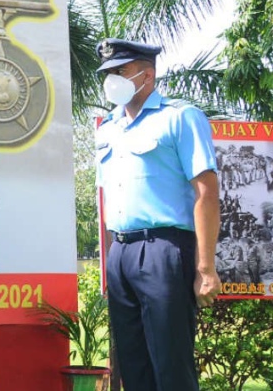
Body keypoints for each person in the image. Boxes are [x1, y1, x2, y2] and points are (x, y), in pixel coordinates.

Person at [94, 38, 220, 391]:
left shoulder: (180, 118)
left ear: (146, 76)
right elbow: (108, 198)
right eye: (108, 73)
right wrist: (109, 260)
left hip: (163, 249)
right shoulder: (109, 128)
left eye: (121, 71)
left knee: (171, 363)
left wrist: (205, 268)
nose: (112, 80)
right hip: (121, 252)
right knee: (133, 365)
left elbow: (207, 193)